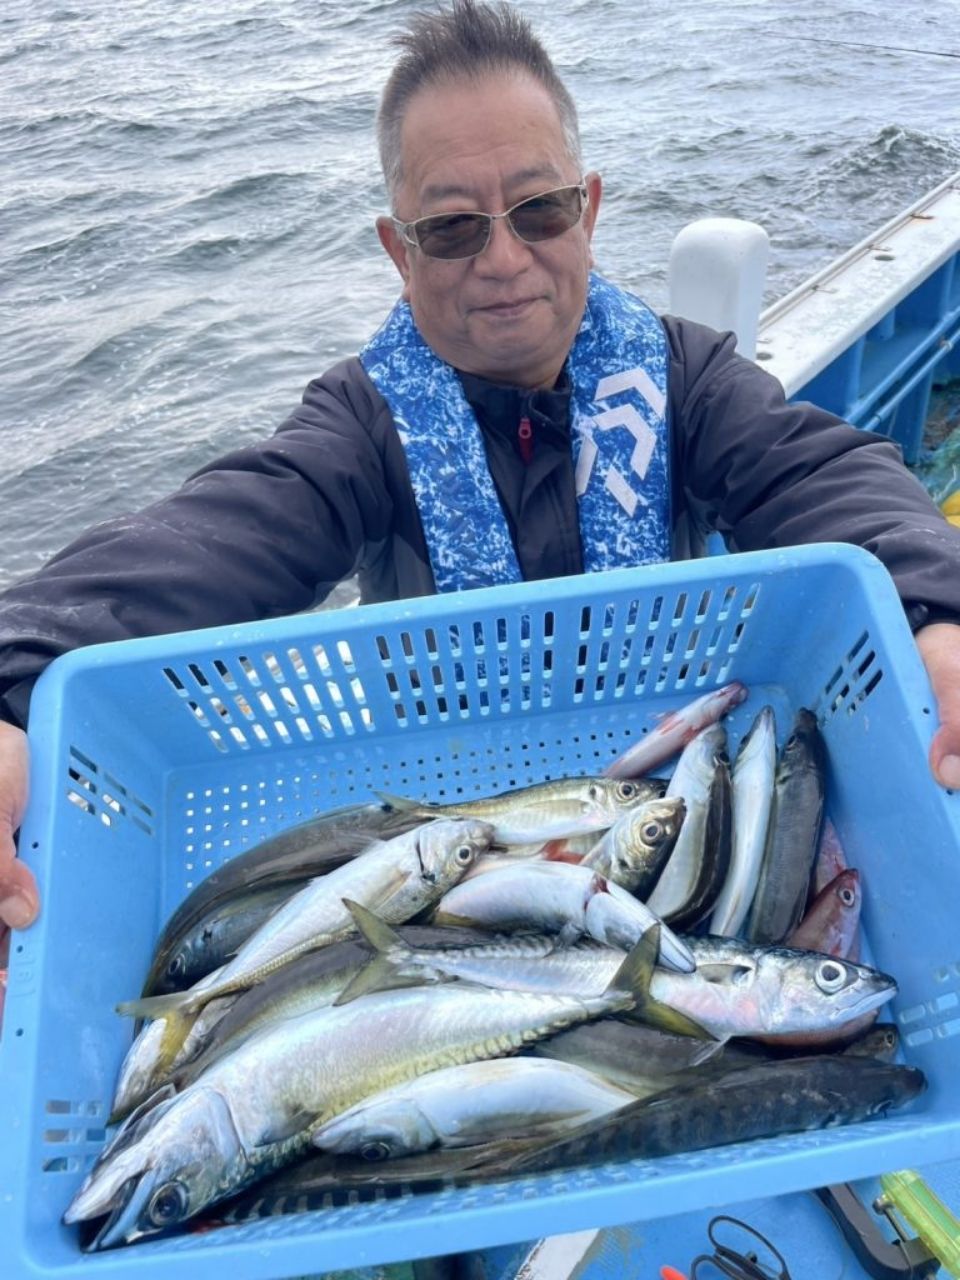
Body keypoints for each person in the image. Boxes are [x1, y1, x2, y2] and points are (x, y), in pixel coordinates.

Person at [2, 0, 960, 944]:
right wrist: (11, 693)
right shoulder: (362, 426)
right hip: (438, 818)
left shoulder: (684, 379)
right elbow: (209, 543)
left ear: (588, 211)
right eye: (454, 228)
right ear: (400, 250)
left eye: (538, 210)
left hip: (656, 786)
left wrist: (936, 612)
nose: (503, 259)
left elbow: (818, 474)